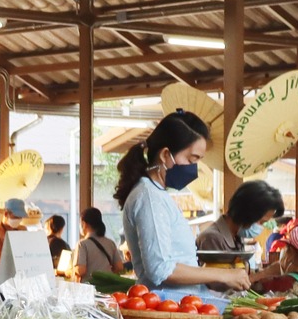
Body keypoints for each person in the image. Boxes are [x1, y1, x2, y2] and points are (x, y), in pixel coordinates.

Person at [117, 111, 249, 298]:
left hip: (183, 307)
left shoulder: (157, 194)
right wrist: (222, 274)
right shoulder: (149, 197)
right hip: (167, 311)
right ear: (165, 155)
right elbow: (160, 269)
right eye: (191, 159)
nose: (193, 167)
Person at [196, 180, 286, 256]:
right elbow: (224, 276)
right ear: (246, 214)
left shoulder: (236, 237)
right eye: (261, 222)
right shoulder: (212, 239)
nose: (260, 228)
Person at [75, 207, 125, 279]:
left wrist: (70, 271)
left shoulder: (82, 244)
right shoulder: (110, 243)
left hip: (89, 287)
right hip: (107, 286)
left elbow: (81, 270)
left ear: (84, 224)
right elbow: (119, 267)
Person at [0, 199, 28, 274]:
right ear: (6, 214)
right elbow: (0, 257)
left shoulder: (23, 229)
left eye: (20, 217)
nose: (18, 220)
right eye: (15, 217)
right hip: (0, 274)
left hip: (21, 273)